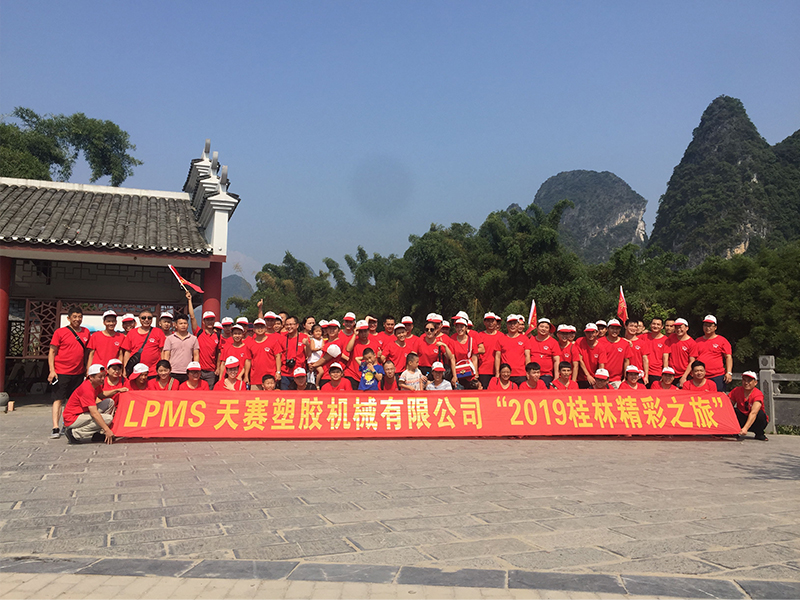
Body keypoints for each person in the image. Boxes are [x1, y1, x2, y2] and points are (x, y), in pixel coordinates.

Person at [48, 305, 90, 438]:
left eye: (80, 317)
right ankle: (55, 427)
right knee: (58, 399)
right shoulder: (60, 332)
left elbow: (87, 352)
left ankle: (67, 424)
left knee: (73, 401)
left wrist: (87, 369)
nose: (77, 319)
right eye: (74, 317)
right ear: (69, 318)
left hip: (78, 372)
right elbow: (52, 352)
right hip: (61, 372)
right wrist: (52, 370)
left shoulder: (86, 332)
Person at [63, 364, 127, 445]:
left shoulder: (95, 384)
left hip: (83, 412)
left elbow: (102, 395)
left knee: (109, 402)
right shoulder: (87, 389)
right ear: (91, 377)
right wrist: (107, 429)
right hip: (73, 418)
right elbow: (94, 413)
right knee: (108, 419)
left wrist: (117, 390)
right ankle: (75, 433)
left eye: (104, 376)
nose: (103, 379)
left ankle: (98, 433)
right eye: (100, 377)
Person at [187, 293, 220, 389]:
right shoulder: (199, 332)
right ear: (203, 322)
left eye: (212, 320)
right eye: (207, 320)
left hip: (211, 372)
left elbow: (219, 353)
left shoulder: (217, 336)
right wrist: (189, 300)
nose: (210, 322)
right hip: (198, 370)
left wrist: (218, 368)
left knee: (208, 393)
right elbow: (192, 317)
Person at [122, 308, 166, 380]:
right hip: (135, 371)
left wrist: (163, 368)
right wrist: (125, 369)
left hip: (153, 371)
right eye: (143, 318)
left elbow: (162, 351)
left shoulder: (158, 332)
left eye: (149, 318)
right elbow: (127, 352)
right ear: (139, 319)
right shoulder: (131, 333)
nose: (146, 320)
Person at [694, 315, 733, 392]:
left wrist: (729, 372)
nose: (707, 328)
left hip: (717, 375)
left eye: (710, 325)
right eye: (705, 325)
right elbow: (693, 358)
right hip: (701, 376)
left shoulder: (722, 340)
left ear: (715, 327)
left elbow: (728, 357)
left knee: (717, 397)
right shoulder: (697, 341)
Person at [730, 371, 768, 441]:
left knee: (760, 414)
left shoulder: (758, 394)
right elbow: (729, 406)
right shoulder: (736, 390)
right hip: (742, 418)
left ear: (755, 382)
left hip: (755, 420)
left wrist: (745, 428)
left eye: (749, 381)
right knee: (732, 411)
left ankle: (759, 433)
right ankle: (734, 431)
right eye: (744, 380)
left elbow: (754, 413)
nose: (746, 383)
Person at [162, 314, 199, 383]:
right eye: (181, 323)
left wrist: (195, 369)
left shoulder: (193, 339)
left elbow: (196, 355)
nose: (183, 325)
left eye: (185, 323)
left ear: (188, 325)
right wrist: (165, 369)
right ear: (175, 325)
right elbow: (166, 355)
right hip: (173, 371)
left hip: (188, 372)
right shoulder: (169, 339)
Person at [246, 318, 282, 390]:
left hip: (270, 378)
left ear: (265, 328)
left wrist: (278, 372)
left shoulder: (273, 341)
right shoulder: (250, 343)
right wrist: (246, 375)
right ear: (254, 329)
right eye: (257, 327)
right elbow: (248, 360)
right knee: (255, 397)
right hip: (255, 378)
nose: (260, 329)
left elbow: (278, 356)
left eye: (262, 327)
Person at [495, 315, 528, 386]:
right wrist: (497, 373)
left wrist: (528, 372)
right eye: (510, 323)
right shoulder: (501, 339)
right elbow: (497, 357)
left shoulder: (525, 339)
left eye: (514, 323)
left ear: (518, 324)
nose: (512, 325)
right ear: (507, 325)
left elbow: (527, 357)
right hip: (505, 374)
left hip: (521, 374)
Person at [525, 318, 558, 386]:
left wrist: (556, 377)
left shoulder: (554, 342)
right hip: (532, 375)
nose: (544, 329)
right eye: (542, 326)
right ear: (537, 327)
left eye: (546, 327)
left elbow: (556, 360)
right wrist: (528, 372)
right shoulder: (530, 340)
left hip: (546, 375)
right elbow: (527, 356)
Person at [342, 320, 374, 389]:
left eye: (365, 331)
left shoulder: (374, 344)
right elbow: (348, 349)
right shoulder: (354, 341)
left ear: (368, 331)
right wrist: (354, 335)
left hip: (367, 376)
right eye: (361, 331)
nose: (363, 333)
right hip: (352, 374)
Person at [280, 316, 308, 390]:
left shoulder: (304, 337)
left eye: (291, 324)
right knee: (285, 395)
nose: (289, 327)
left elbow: (308, 354)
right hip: (285, 373)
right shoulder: (282, 338)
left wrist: (307, 345)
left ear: (297, 325)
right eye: (287, 325)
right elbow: (278, 356)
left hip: (300, 373)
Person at [667, 318, 697, 387]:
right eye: (676, 327)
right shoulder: (671, 337)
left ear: (687, 328)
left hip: (684, 374)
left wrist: (684, 376)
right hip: (671, 374)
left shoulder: (692, 343)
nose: (678, 329)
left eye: (680, 327)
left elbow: (692, 361)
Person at [476, 312, 503, 389]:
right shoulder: (479, 336)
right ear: (484, 322)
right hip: (483, 370)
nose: (490, 323)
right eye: (488, 321)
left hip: (499, 371)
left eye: (492, 321)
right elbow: (476, 355)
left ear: (496, 322)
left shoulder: (501, 336)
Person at [598, 319, 628, 387]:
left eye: (617, 328)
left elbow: (626, 361)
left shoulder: (625, 343)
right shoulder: (600, 342)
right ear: (607, 329)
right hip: (601, 378)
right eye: (612, 328)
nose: (615, 330)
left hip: (617, 379)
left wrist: (625, 377)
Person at [576, 323, 606, 389]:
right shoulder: (579, 341)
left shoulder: (601, 347)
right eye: (588, 332)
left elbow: (601, 366)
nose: (590, 334)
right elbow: (580, 359)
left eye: (593, 332)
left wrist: (598, 379)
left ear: (597, 333)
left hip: (594, 379)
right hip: (580, 378)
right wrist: (588, 375)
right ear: (585, 333)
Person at [621, 318, 650, 385]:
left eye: (635, 326)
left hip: (638, 375)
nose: (633, 328)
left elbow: (645, 360)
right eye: (631, 326)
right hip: (624, 375)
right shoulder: (621, 341)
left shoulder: (642, 343)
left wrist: (646, 376)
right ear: (625, 326)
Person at [645, 317, 670, 387]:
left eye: (658, 324)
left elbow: (665, 359)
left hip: (657, 373)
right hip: (644, 373)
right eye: (654, 324)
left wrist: (665, 374)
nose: (655, 326)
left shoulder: (666, 340)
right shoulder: (644, 337)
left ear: (662, 327)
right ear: (650, 325)